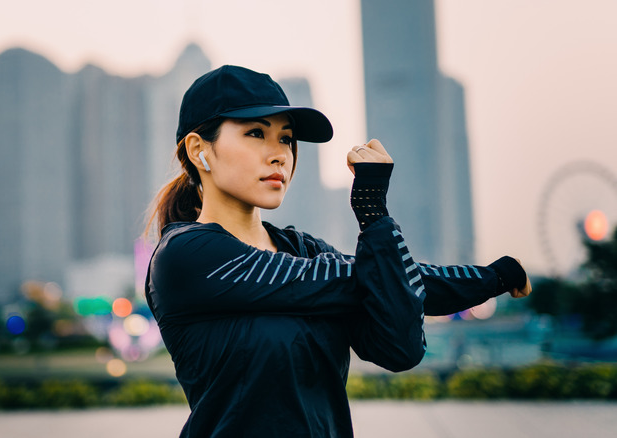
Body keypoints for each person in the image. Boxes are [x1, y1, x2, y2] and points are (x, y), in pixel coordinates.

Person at [144, 65, 531, 437]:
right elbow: (362, 277)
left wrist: (376, 217)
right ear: (199, 150)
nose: (279, 153)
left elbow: (401, 348)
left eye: (286, 138)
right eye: (256, 133)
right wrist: (486, 277)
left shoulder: (305, 250)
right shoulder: (185, 255)